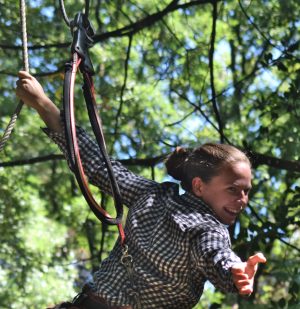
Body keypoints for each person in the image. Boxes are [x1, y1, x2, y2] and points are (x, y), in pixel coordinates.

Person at [16, 71, 266, 309]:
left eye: (246, 191)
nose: (243, 200)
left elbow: (216, 253)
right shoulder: (151, 195)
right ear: (199, 185)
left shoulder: (209, 230)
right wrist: (42, 103)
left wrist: (235, 270)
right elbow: (96, 164)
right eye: (233, 189)